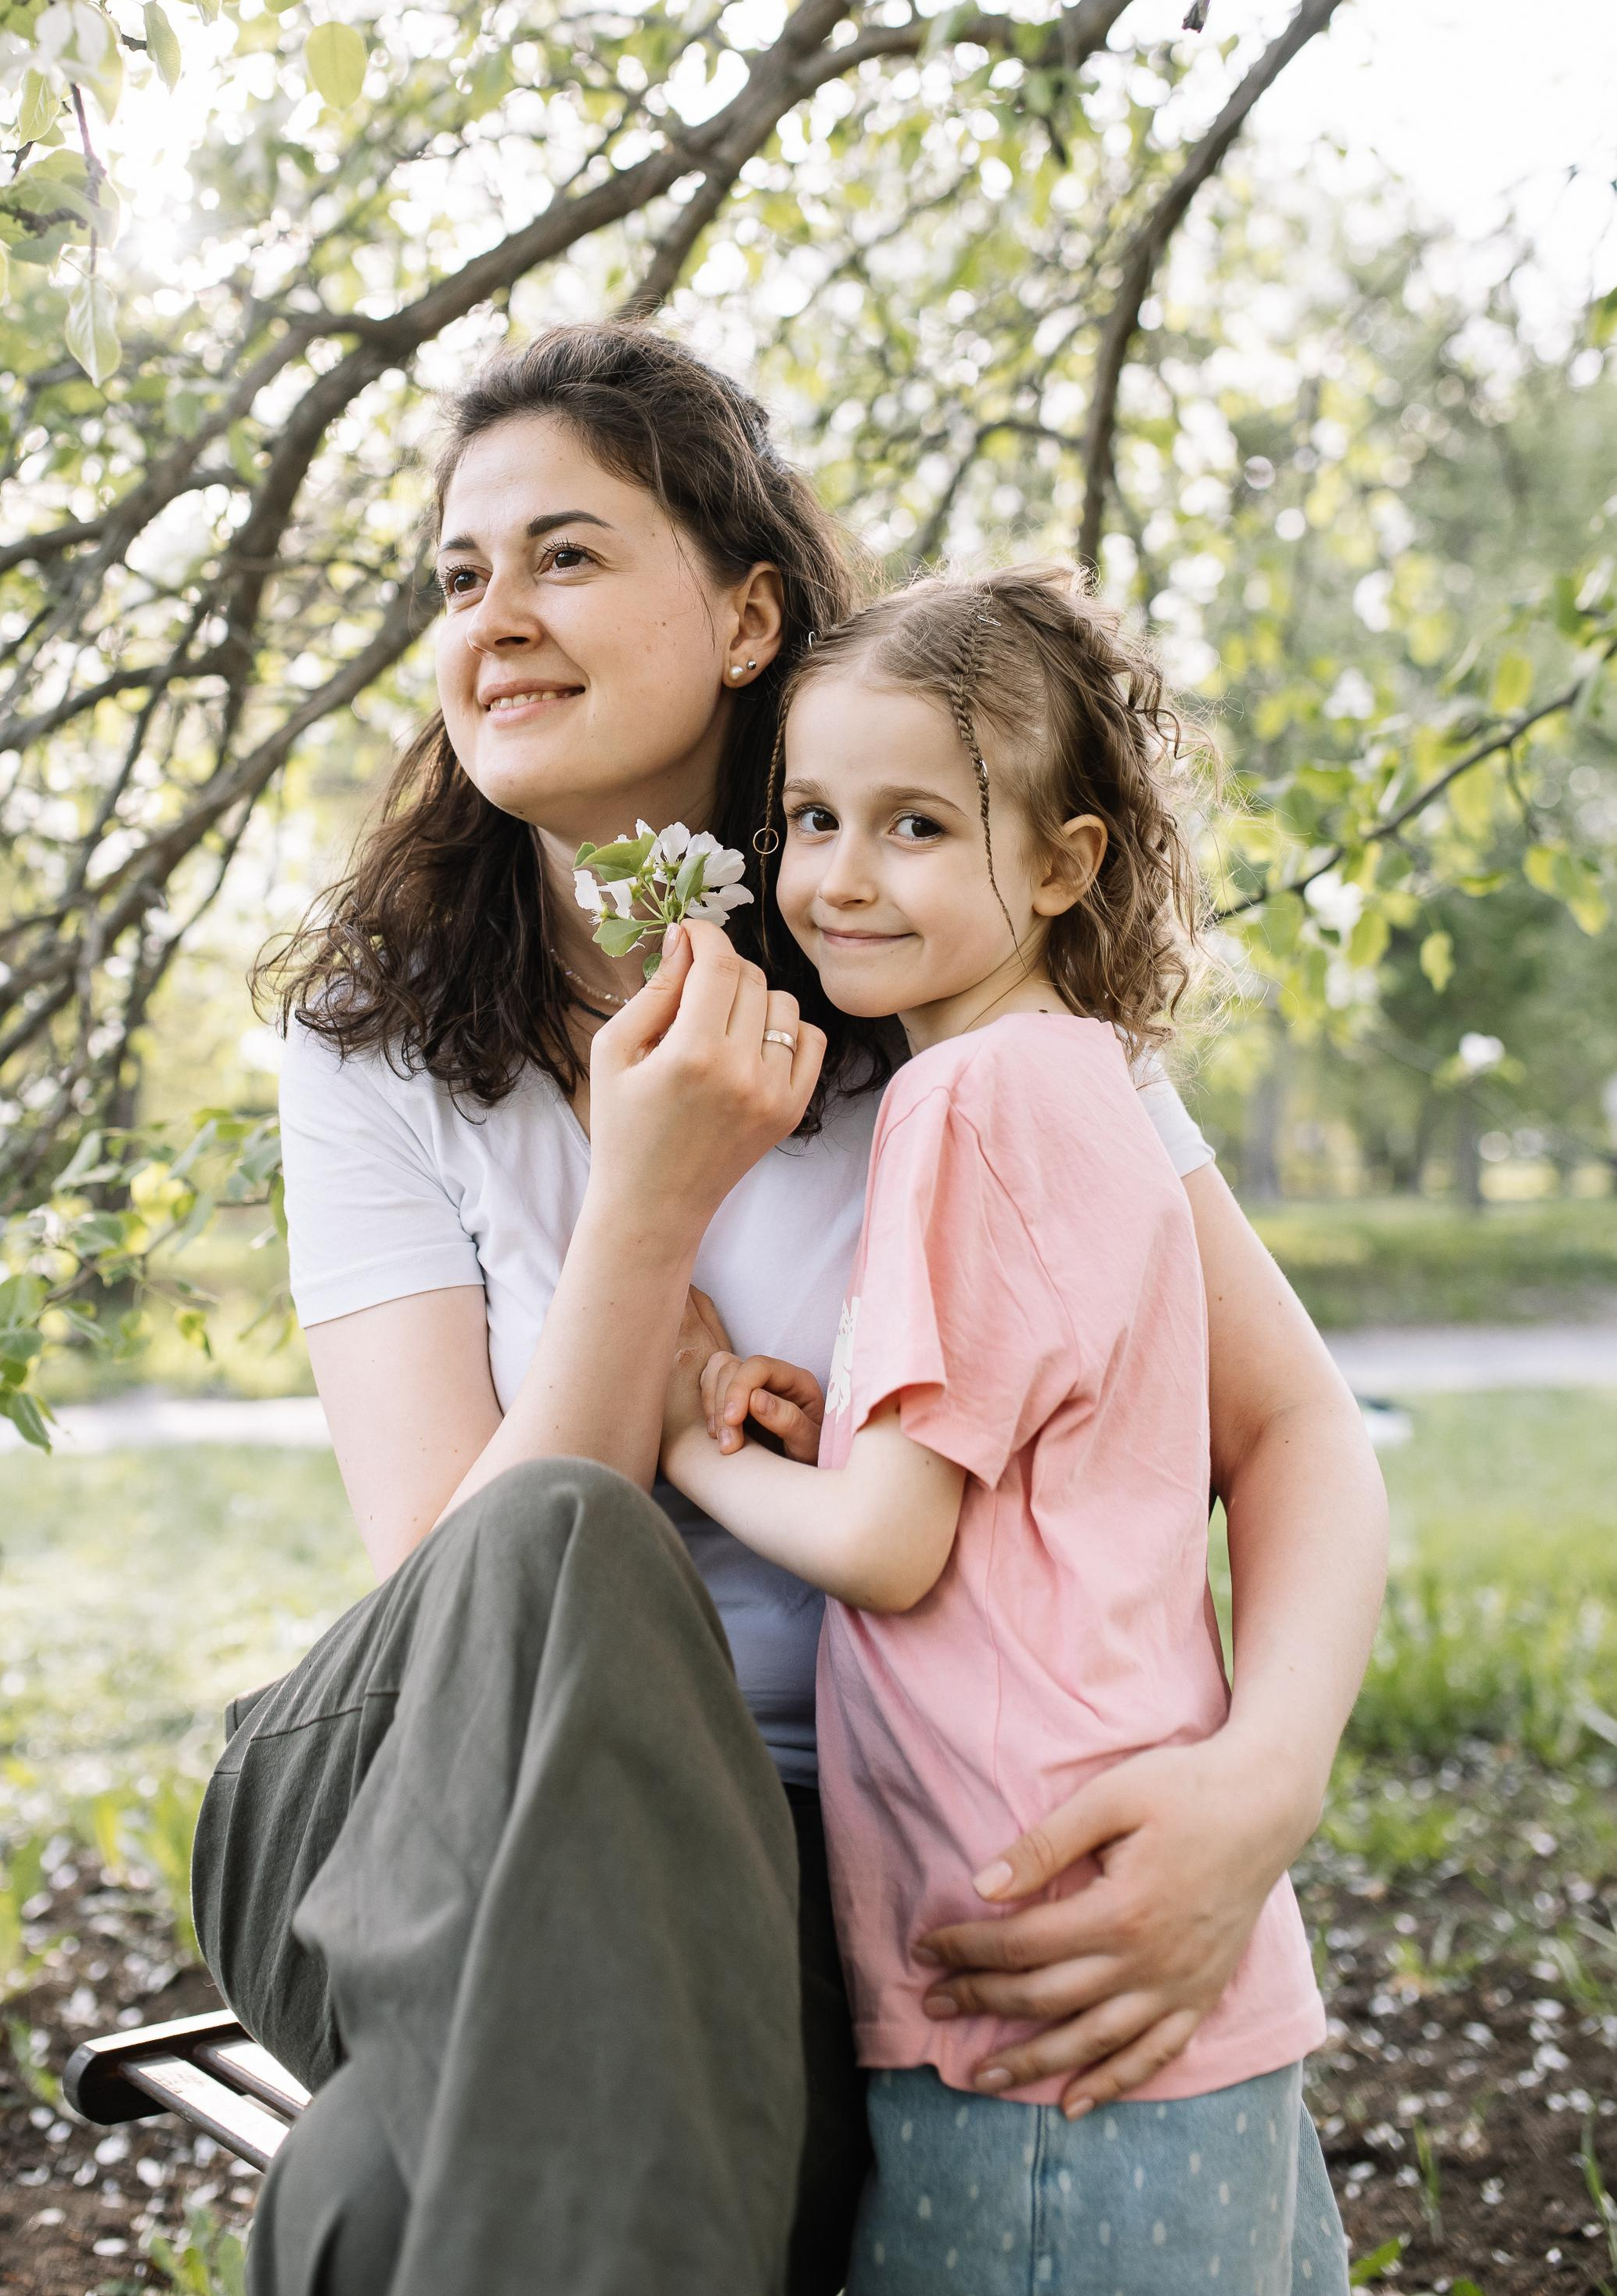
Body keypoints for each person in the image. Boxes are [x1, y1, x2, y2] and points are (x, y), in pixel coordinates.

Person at [189, 322, 1387, 2296]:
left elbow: (1292, 1429)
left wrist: (1258, 1791)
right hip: (421, 1819)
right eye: (457, 575)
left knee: (392, 2193)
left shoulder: (959, 971)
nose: (495, 615)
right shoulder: (375, 1045)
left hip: (833, 1867)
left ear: (749, 614)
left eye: (564, 554)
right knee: (564, 1531)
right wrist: (646, 1200)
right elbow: (462, 1603)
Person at [663, 564, 1351, 2295]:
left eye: (912, 824)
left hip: (1029, 1957)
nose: (837, 872)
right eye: (812, 815)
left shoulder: (958, 1095)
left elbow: (893, 1548)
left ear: (1062, 860)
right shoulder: (1088, 1078)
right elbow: (1039, 1465)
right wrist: (825, 1442)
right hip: (1161, 1913)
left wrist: (689, 1443)